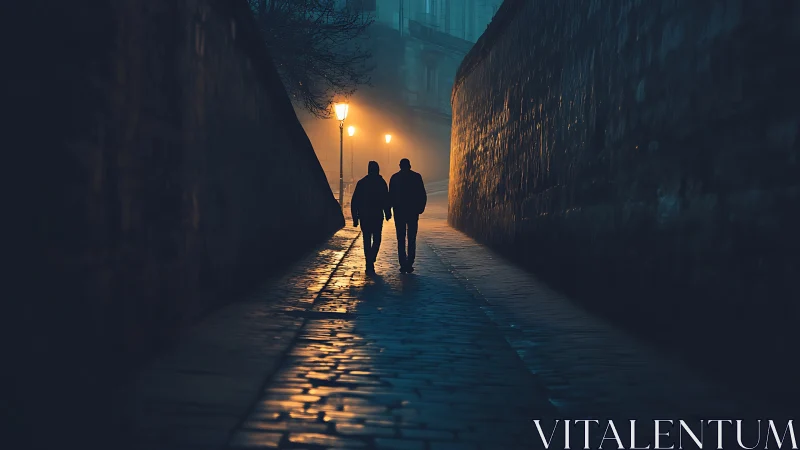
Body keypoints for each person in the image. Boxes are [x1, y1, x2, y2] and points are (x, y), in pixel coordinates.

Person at [351, 161, 391, 274]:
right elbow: (386, 199)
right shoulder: (381, 182)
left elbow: (355, 201)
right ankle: (371, 258)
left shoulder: (362, 183)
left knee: (367, 240)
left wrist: (355, 218)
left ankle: (369, 261)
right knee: (377, 239)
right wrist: (387, 212)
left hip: (364, 216)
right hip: (377, 215)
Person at [389, 158, 427, 273]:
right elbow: (422, 194)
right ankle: (410, 262)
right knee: (411, 238)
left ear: (400, 165)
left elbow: (390, 195)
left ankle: (403, 263)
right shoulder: (416, 177)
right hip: (412, 211)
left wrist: (388, 210)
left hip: (399, 211)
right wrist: (420, 208)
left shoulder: (395, 178)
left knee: (400, 238)